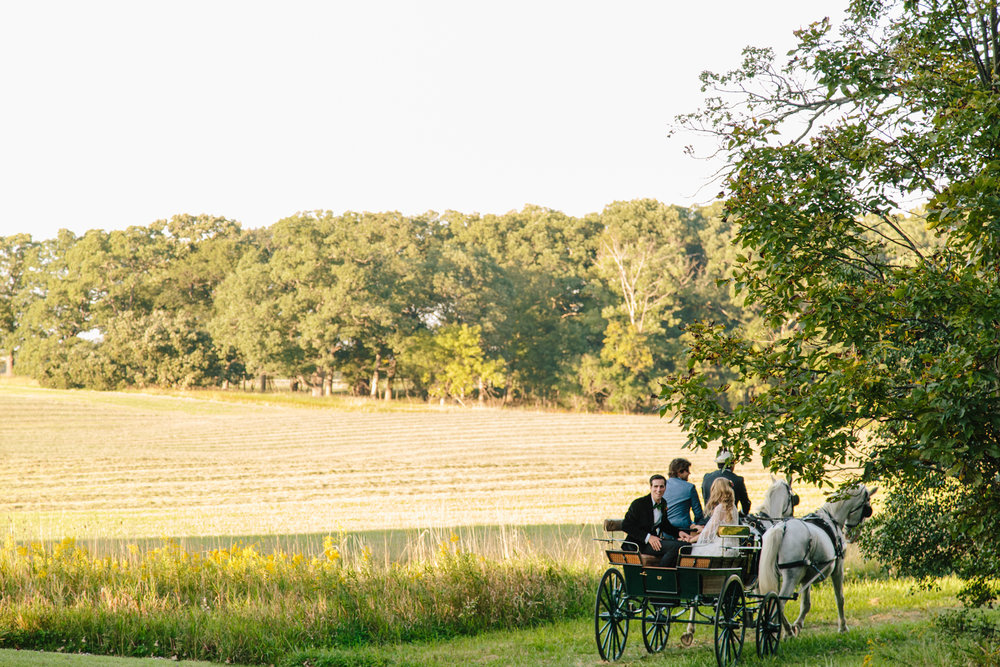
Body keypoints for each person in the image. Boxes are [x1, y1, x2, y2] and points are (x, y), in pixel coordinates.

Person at [622, 474, 694, 567]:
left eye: (661, 486)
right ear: (650, 487)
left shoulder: (663, 503)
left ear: (665, 488)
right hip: (639, 543)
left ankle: (674, 576)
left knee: (686, 547)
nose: (658, 490)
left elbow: (664, 525)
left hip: (653, 542)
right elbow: (626, 526)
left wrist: (679, 533)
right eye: (655, 486)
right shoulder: (639, 504)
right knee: (676, 547)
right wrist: (648, 537)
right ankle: (660, 576)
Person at [691, 477, 741, 556]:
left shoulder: (720, 508)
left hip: (721, 548)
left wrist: (691, 540)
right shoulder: (733, 508)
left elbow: (708, 532)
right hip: (733, 548)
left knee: (694, 548)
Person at [701, 449, 752, 516]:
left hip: (708, 518)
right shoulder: (738, 480)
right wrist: (740, 514)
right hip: (729, 519)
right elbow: (746, 504)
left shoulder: (707, 477)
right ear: (732, 464)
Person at [664, 458, 704, 532]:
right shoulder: (690, 487)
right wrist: (696, 525)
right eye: (687, 471)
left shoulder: (662, 486)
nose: (689, 473)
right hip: (683, 529)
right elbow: (698, 513)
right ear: (679, 472)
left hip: (664, 529)